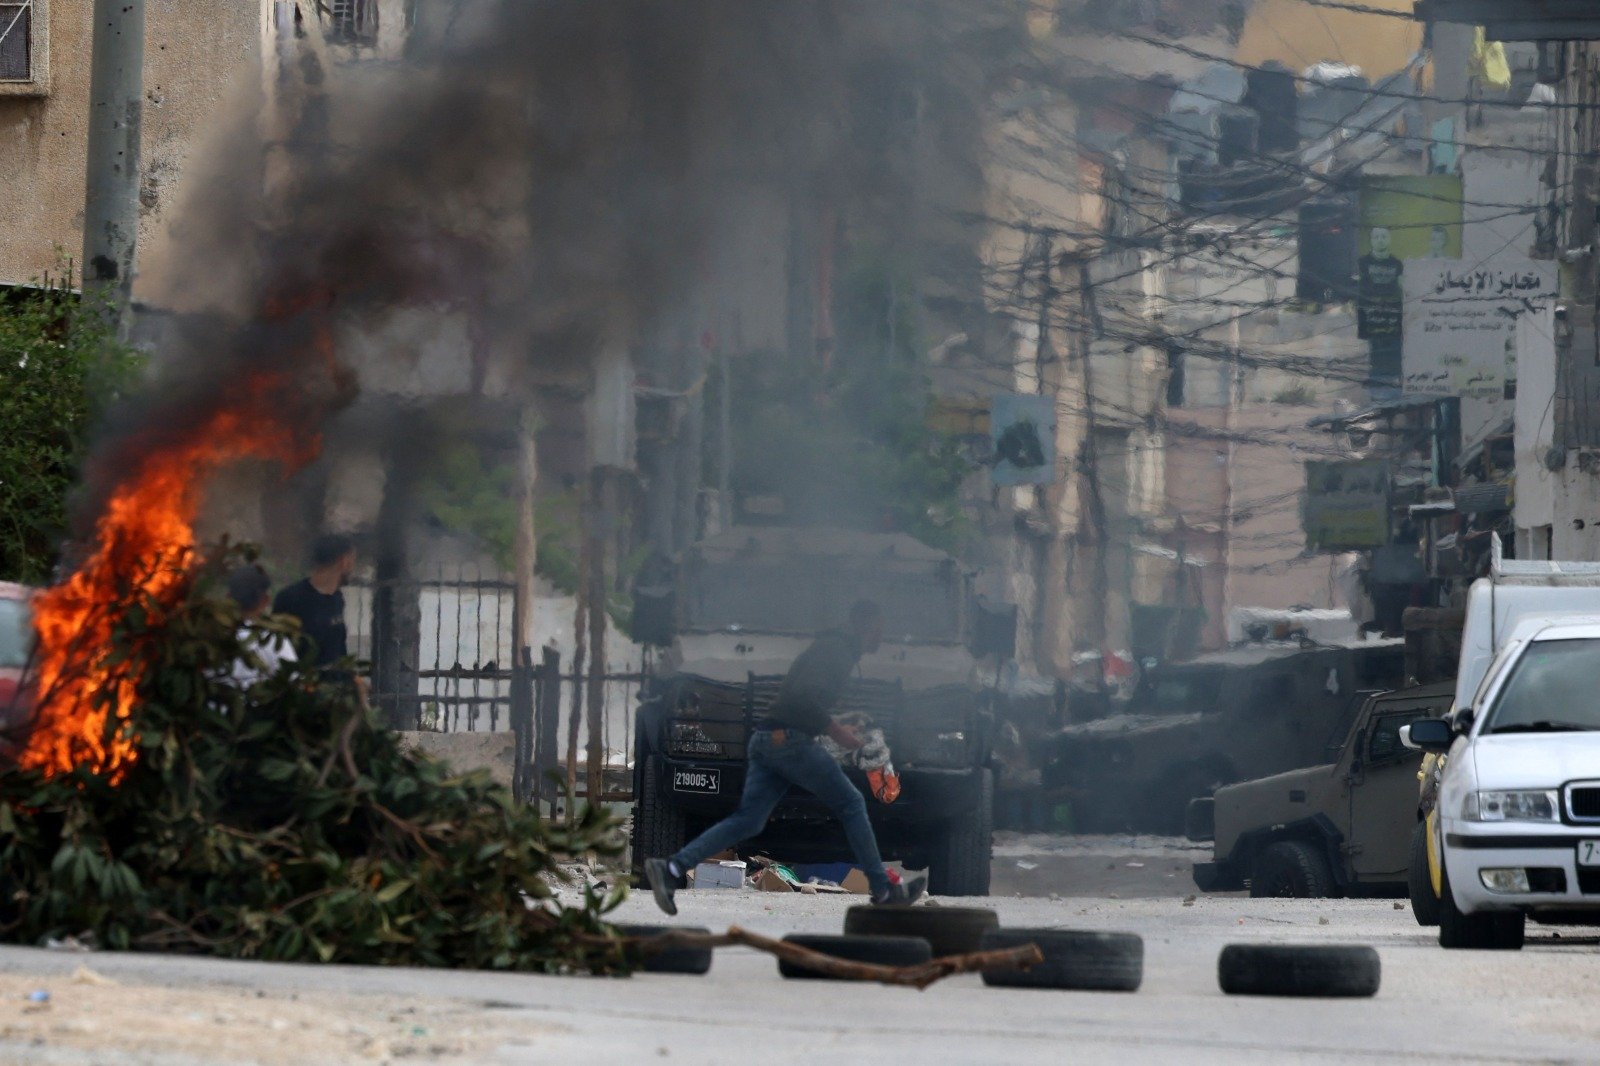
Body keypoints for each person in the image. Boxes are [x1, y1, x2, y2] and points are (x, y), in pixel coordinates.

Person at [645, 601, 925, 913]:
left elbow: (801, 701)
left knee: (748, 820)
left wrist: (835, 726)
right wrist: (837, 732)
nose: (880, 639)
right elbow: (802, 698)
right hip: (789, 742)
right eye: (877, 631)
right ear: (861, 625)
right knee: (852, 803)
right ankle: (884, 890)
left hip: (767, 739)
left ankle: (670, 869)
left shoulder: (830, 648)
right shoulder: (837, 653)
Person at [272, 534, 363, 707]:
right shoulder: (291, 598)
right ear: (344, 561)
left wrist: (352, 682)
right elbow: (278, 649)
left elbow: (339, 649)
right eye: (352, 560)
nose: (352, 567)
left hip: (335, 698)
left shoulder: (337, 598)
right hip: (303, 699)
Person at [224, 563, 297, 689]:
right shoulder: (274, 641)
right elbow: (294, 684)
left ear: (228, 597)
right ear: (265, 600)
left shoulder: (207, 635)